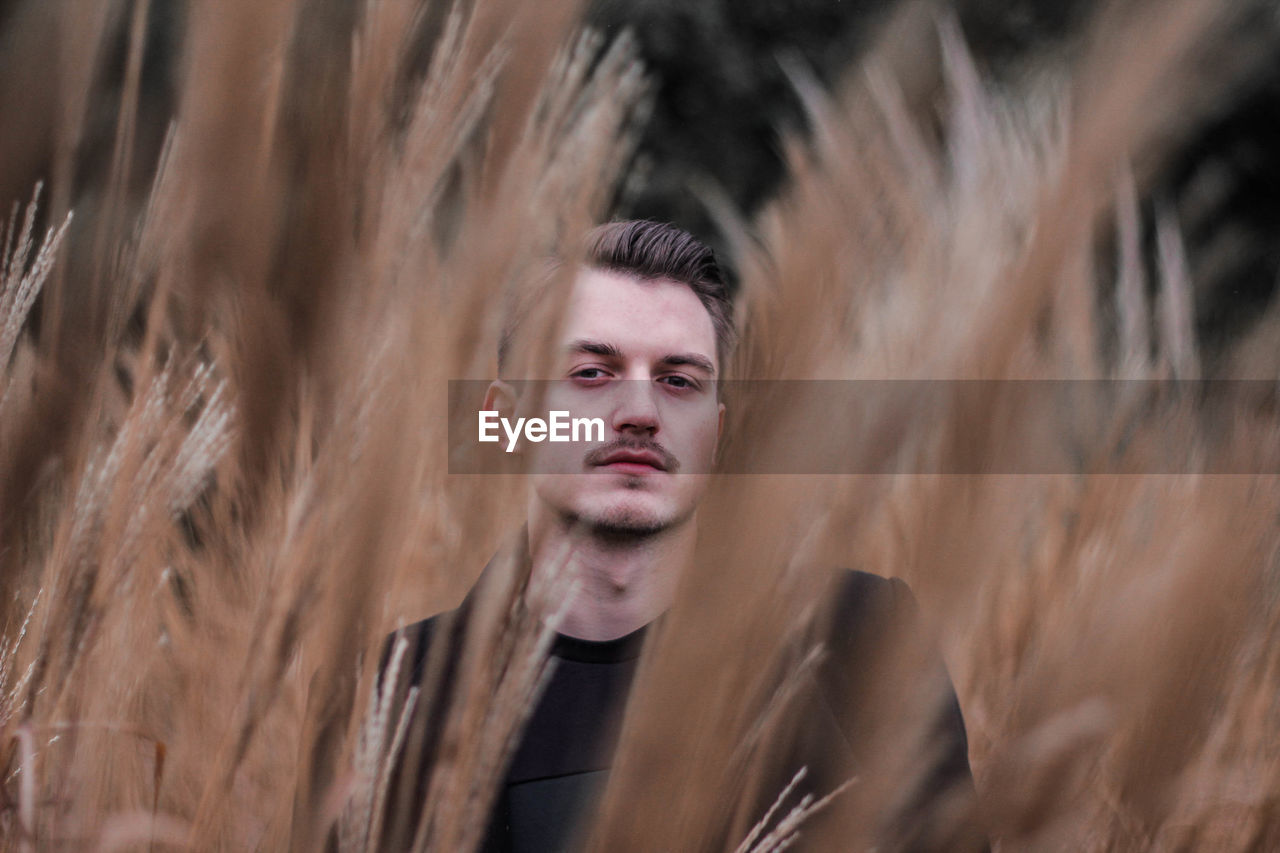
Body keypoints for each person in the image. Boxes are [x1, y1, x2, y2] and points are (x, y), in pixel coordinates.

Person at [375, 220, 982, 852]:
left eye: (678, 380)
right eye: (591, 373)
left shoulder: (861, 640)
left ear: (715, 432)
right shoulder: (397, 691)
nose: (640, 412)